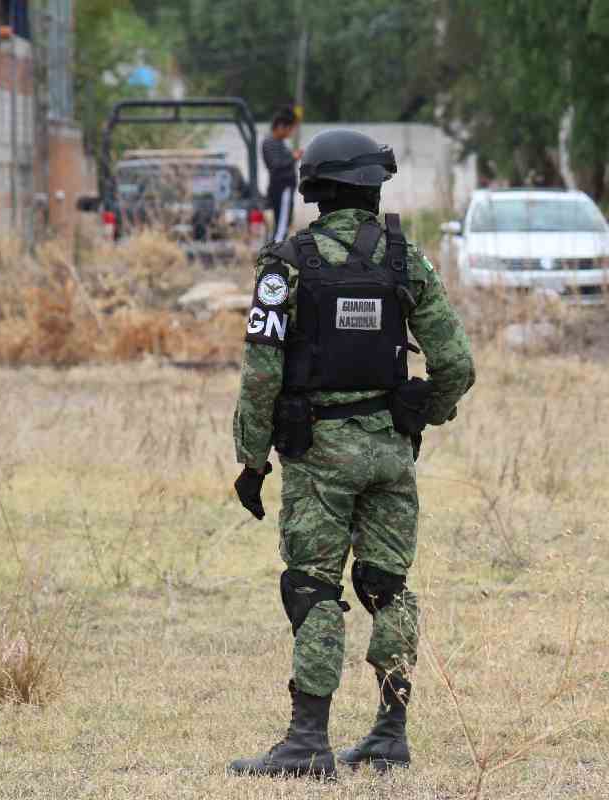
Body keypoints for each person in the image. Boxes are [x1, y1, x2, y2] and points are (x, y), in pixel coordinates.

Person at [228, 128, 476, 779]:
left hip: (318, 457)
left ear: (313, 189)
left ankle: (307, 742)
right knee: (386, 586)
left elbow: (260, 373)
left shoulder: (287, 264)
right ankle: (390, 734)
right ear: (372, 187)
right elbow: (455, 361)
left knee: (311, 588)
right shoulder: (403, 259)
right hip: (391, 455)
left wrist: (252, 460)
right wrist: (428, 411)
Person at [262, 106, 302, 242]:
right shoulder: (270, 142)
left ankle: (275, 251)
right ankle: (275, 254)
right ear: (280, 126)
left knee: (284, 223)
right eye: (290, 129)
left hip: (284, 188)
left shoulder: (279, 143)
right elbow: (275, 165)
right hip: (281, 189)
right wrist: (293, 157)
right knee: (282, 226)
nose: (290, 133)